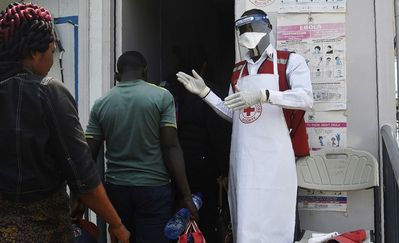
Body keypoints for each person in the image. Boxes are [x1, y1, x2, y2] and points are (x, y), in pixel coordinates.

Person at [176, 9, 313, 242]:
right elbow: (233, 113)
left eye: (254, 28)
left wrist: (265, 94)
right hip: (244, 160)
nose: (248, 35)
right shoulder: (238, 71)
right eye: (243, 30)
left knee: (276, 219)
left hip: (275, 160)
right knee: (245, 222)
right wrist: (206, 93)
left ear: (267, 28)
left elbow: (305, 99)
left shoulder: (288, 61)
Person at [0, 2, 129, 242]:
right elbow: (83, 174)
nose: (52, 56)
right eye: (52, 49)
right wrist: (116, 224)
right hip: (42, 230)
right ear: (34, 53)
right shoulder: (47, 91)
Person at [85, 51, 198, 243]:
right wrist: (186, 195)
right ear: (145, 71)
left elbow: (88, 155)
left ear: (117, 73)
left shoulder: (101, 104)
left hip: (116, 190)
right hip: (153, 189)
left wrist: (81, 197)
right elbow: (170, 147)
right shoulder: (162, 97)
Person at [163, 46, 231, 243]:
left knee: (175, 219)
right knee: (206, 218)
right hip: (204, 166)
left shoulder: (166, 90)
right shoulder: (209, 92)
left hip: (171, 165)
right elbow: (219, 134)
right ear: (204, 66)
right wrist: (225, 170)